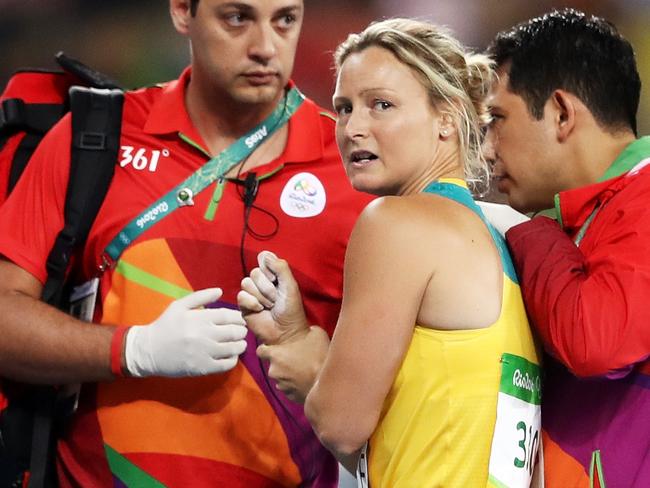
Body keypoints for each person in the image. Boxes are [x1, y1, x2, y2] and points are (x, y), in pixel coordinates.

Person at [0, 0, 372, 486]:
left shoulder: (353, 169)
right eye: (237, 18)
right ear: (181, 12)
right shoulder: (95, 136)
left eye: (285, 20)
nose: (265, 47)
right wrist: (134, 349)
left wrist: (318, 365)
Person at [238, 18, 541, 487]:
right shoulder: (501, 233)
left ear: (447, 117)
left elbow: (342, 425)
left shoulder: (394, 224)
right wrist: (298, 333)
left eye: (381, 105)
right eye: (343, 108)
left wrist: (302, 353)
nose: (353, 127)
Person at [483, 8, 650, 487]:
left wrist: (522, 227)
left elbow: (595, 342)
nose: (489, 149)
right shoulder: (580, 220)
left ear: (560, 112)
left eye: (497, 118)